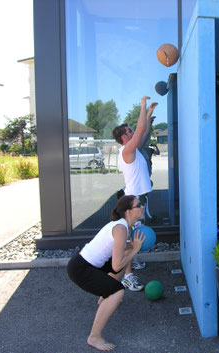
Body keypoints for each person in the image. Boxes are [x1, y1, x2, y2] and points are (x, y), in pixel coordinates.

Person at [67, 195, 146, 351]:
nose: (142, 207)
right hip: (81, 269)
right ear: (129, 212)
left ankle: (105, 295)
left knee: (120, 264)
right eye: (139, 205)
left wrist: (133, 246)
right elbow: (117, 265)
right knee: (118, 291)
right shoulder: (121, 229)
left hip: (89, 264)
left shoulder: (123, 226)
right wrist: (135, 249)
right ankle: (94, 337)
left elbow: (119, 256)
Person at [112, 96, 157, 291]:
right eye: (128, 131)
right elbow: (140, 130)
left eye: (130, 130)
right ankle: (128, 275)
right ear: (123, 137)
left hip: (139, 197)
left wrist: (149, 114)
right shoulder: (127, 150)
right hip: (133, 200)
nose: (131, 132)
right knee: (132, 238)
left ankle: (133, 261)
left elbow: (143, 130)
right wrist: (142, 106)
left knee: (136, 234)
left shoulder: (134, 149)